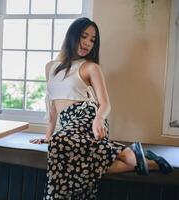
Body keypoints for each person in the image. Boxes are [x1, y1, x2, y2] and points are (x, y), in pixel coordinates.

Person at [30, 17, 173, 200]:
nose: (88, 43)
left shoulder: (91, 67)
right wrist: (47, 136)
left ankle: (129, 153)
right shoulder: (50, 67)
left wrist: (98, 118)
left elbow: (105, 103)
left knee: (61, 142)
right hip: (68, 125)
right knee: (76, 155)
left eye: (93, 40)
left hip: (88, 116)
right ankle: (144, 160)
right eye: (84, 36)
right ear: (72, 36)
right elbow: (52, 107)